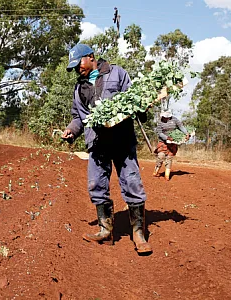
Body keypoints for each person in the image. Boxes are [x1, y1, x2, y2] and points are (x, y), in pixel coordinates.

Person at [61, 44, 152, 254]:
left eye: (79, 64)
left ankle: (138, 233)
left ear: (90, 57)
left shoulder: (117, 73)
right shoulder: (79, 87)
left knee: (132, 182)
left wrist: (143, 107)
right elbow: (79, 117)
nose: (77, 69)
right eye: (74, 67)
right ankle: (105, 230)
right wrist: (71, 131)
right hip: (97, 142)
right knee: (96, 184)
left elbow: (134, 99)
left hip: (122, 140)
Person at [153, 110, 190, 181]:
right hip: (163, 142)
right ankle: (156, 172)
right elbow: (159, 133)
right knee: (161, 156)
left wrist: (186, 133)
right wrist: (167, 137)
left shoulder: (175, 119)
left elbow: (181, 126)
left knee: (169, 158)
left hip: (173, 142)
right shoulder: (160, 123)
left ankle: (167, 175)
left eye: (167, 117)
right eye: (164, 117)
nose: (166, 118)